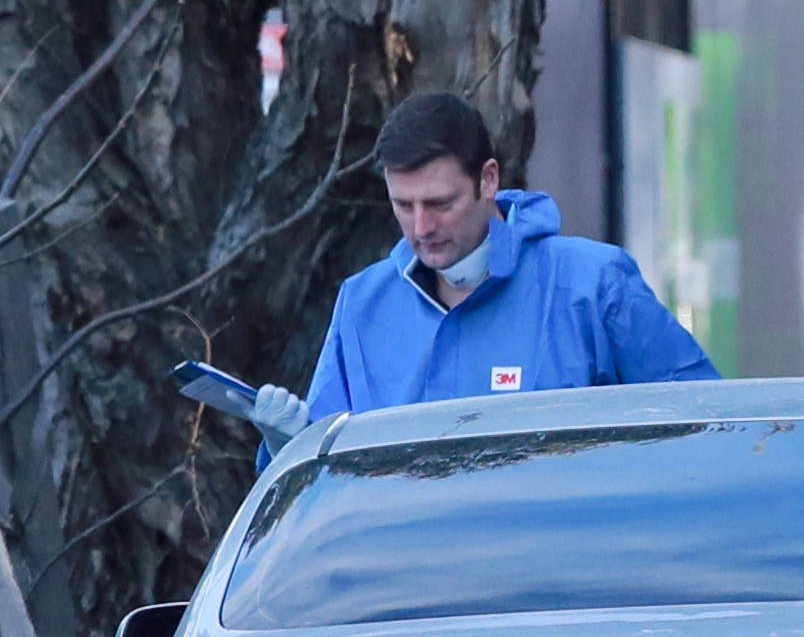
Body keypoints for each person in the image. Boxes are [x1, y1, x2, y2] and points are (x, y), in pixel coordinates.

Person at [251, 92, 715, 442]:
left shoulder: (591, 285)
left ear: (488, 179)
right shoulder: (363, 304)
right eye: (402, 205)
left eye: (440, 203)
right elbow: (326, 485)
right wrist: (288, 448)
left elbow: (704, 423)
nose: (421, 226)